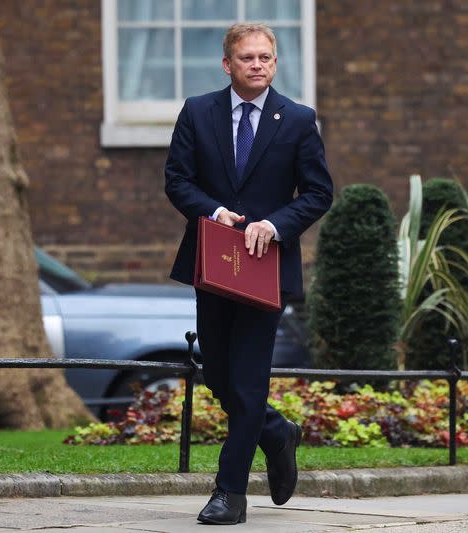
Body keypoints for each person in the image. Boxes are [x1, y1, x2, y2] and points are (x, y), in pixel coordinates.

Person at [165, 23, 333, 525]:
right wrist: (215, 213)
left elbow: (319, 193)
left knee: (249, 378)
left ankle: (230, 492)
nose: (257, 65)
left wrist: (276, 224)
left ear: (275, 63)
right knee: (217, 372)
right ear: (227, 65)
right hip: (213, 265)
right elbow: (177, 180)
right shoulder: (198, 112)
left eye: (265, 58)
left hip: (267, 271)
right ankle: (277, 431)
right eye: (247, 58)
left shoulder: (299, 120)